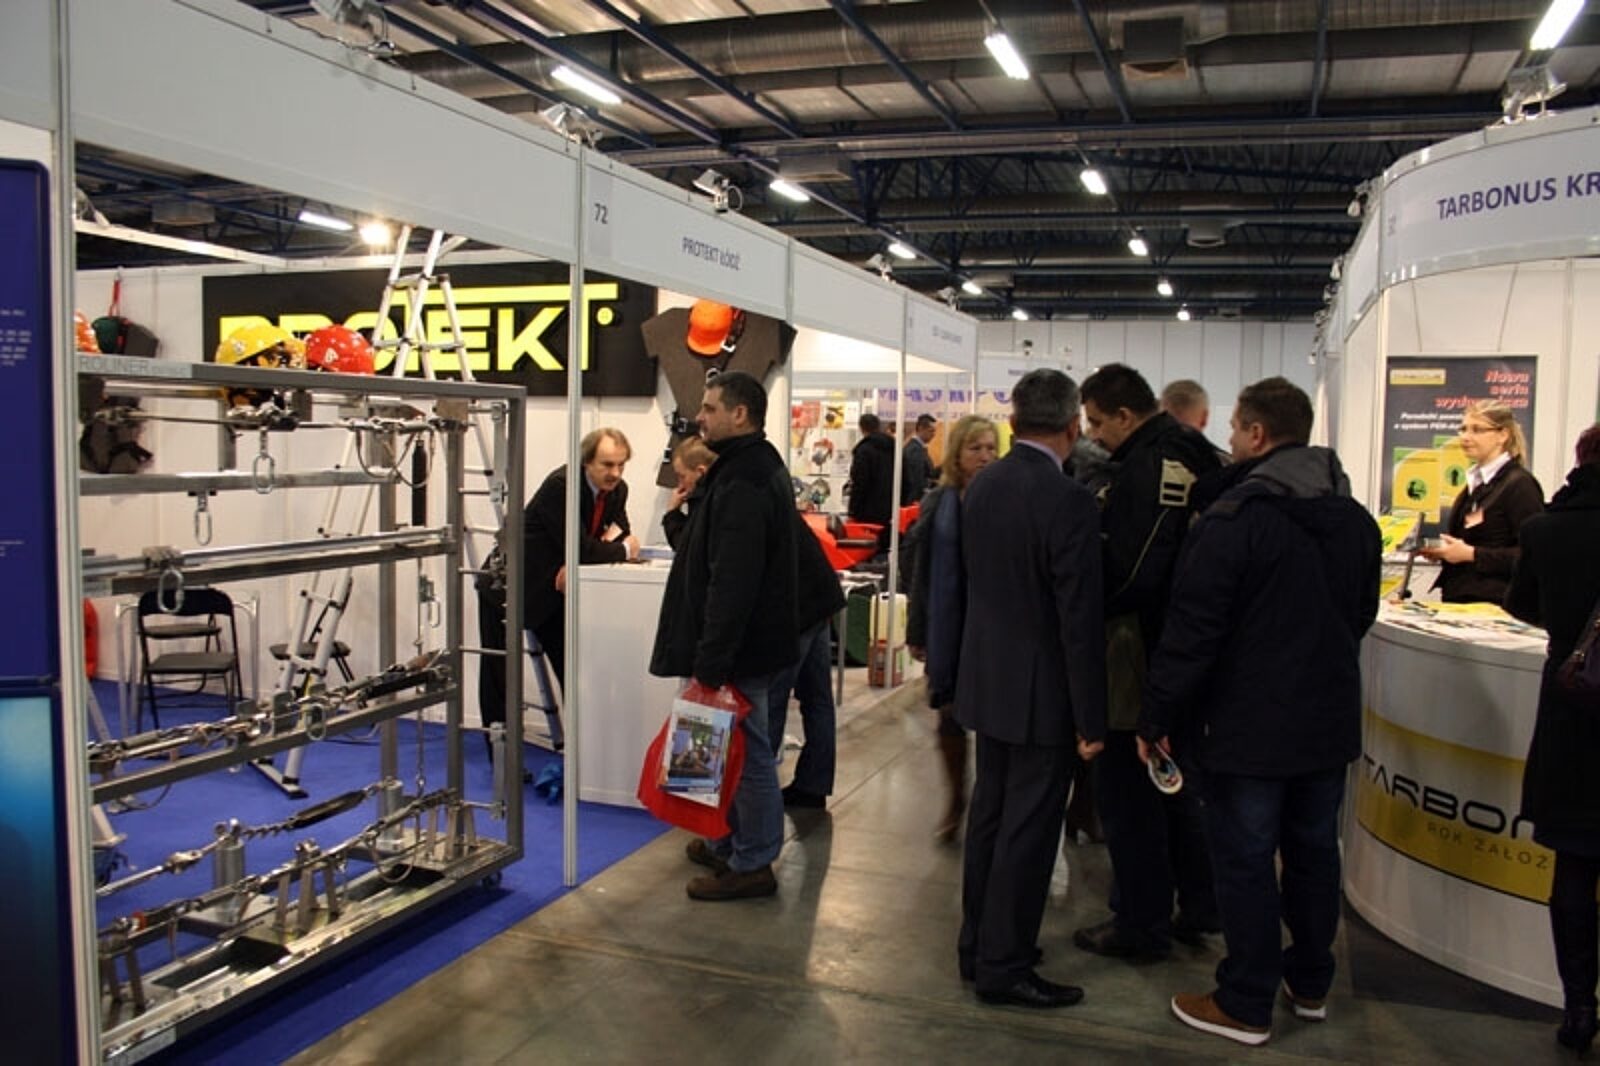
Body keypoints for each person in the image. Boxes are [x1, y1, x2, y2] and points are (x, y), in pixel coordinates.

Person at [1139, 377, 1380, 1046]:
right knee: (1313, 853)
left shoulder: (1234, 520)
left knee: (1245, 861)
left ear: (1256, 434)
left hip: (1245, 728)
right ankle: (1311, 983)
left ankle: (1245, 1001)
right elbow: (1361, 615)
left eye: (1235, 428)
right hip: (1326, 721)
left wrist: (1156, 717)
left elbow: (1193, 632)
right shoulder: (1355, 521)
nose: (1230, 438)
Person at [955, 368, 1107, 1009]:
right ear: (1073, 426)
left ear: (1014, 422)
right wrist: (1092, 717)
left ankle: (980, 944)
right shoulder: (1069, 501)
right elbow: (1079, 617)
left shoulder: (982, 485)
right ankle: (1005, 963)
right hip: (1043, 691)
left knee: (991, 818)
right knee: (1029, 831)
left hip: (989, 680)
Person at [1073, 363, 1222, 963]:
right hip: (1183, 649)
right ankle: (1199, 904)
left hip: (1139, 647)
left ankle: (1139, 922)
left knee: (1129, 793)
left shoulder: (1151, 464)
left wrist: (1085, 609)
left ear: (1125, 415)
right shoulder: (1195, 453)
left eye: (1097, 422)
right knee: (1174, 786)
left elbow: (1135, 570)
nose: (1094, 434)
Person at [651, 371, 799, 901]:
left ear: (740, 414)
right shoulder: (744, 469)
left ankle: (753, 860)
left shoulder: (745, 479)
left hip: (739, 650)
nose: (701, 417)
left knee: (748, 753)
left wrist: (712, 660)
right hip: (742, 646)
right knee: (727, 747)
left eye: (711, 408)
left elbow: (733, 580)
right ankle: (731, 842)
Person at [1505, 423, 1600, 1056]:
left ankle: (1579, 1009)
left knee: (1574, 864)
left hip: (1573, 708)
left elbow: (1522, 605)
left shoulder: (1546, 529)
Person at [905, 414, 998, 842]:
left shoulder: (1004, 500)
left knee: (994, 720)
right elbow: (921, 572)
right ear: (957, 454)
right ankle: (956, 798)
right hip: (949, 627)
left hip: (992, 627)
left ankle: (988, 803)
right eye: (975, 448)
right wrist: (918, 629)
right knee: (949, 715)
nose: (985, 456)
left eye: (991, 448)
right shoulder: (938, 503)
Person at [524, 427, 639, 698]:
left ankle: (581, 728)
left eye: (621, 465)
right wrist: (622, 550)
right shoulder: (562, 486)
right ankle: (497, 726)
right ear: (586, 461)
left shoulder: (618, 490)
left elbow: (618, 530)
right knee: (499, 676)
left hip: (564, 589)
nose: (615, 473)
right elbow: (583, 548)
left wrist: (581, 559)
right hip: (522, 585)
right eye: (607, 464)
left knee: (578, 676)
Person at [1421, 398, 1543, 603]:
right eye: (1463, 429)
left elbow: (1533, 554)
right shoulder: (1476, 483)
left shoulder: (1519, 484)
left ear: (1503, 435)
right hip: (1461, 598)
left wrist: (1472, 554)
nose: (1466, 437)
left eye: (1477, 430)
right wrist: (1446, 552)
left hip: (1495, 603)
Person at [768, 517, 846, 810]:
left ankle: (758, 805)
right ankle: (813, 786)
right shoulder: (773, 498)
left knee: (772, 702)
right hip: (818, 597)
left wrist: (673, 518)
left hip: (795, 609)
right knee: (817, 699)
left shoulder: (733, 499)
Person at [847, 412, 896, 536]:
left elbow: (859, 483)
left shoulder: (863, 450)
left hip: (867, 511)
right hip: (891, 508)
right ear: (878, 426)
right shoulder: (894, 448)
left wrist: (853, 510)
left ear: (861, 428)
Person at [662, 436, 715, 551]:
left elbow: (686, 548)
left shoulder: (706, 502)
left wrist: (672, 513)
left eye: (682, 476)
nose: (680, 485)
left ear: (701, 472)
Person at [902, 414, 938, 502]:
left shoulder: (918, 448)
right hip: (915, 500)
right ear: (921, 429)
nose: (934, 434)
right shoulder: (915, 450)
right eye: (931, 431)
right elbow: (917, 481)